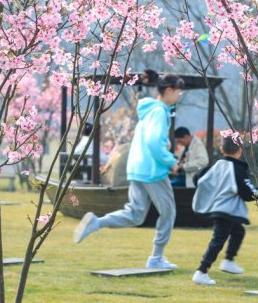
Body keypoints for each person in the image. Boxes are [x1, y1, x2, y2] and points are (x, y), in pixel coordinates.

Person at [73, 74, 185, 270]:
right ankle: (156, 257)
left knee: (135, 214)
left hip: (137, 168)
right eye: (178, 92)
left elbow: (150, 139)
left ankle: (96, 223)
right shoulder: (159, 111)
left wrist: (164, 144)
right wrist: (171, 162)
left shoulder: (149, 111)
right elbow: (153, 141)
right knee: (168, 212)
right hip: (153, 170)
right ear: (169, 90)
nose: (179, 96)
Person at [191, 136, 258, 285]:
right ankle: (201, 271)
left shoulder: (215, 166)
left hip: (218, 209)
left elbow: (197, 178)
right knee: (218, 240)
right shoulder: (238, 170)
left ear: (222, 150)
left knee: (238, 231)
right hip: (226, 211)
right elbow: (247, 193)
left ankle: (228, 260)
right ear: (240, 151)